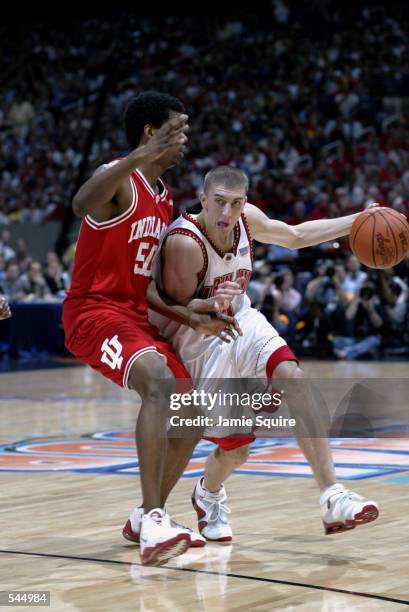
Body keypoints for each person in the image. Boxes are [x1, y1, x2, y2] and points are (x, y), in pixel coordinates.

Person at [149, 165, 380, 542]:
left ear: (245, 202)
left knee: (294, 378)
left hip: (241, 319)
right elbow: (172, 310)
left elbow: (295, 236)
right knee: (236, 451)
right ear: (203, 200)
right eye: (219, 203)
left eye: (236, 203)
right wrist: (204, 305)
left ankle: (332, 495)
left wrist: (359, 219)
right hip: (198, 343)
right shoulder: (184, 243)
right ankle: (206, 492)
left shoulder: (246, 221)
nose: (227, 214)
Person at [62, 92, 240, 566]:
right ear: (149, 134)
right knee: (159, 383)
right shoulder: (118, 179)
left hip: (133, 315)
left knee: (194, 411)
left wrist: (190, 312)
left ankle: (145, 516)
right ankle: (158, 519)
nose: (185, 140)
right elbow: (80, 203)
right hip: (93, 313)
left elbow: (146, 287)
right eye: (177, 130)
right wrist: (138, 157)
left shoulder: (162, 200)